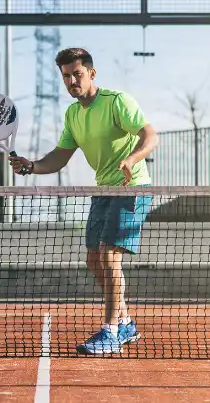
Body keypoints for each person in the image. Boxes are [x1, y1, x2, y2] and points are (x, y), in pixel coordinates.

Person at [9, 47, 159, 355]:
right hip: (104, 189)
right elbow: (60, 156)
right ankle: (126, 321)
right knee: (94, 259)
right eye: (66, 76)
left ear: (91, 73)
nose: (72, 81)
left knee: (109, 256)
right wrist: (33, 165)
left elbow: (150, 135)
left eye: (77, 74)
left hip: (133, 188)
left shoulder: (117, 102)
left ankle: (111, 331)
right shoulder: (73, 114)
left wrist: (133, 158)